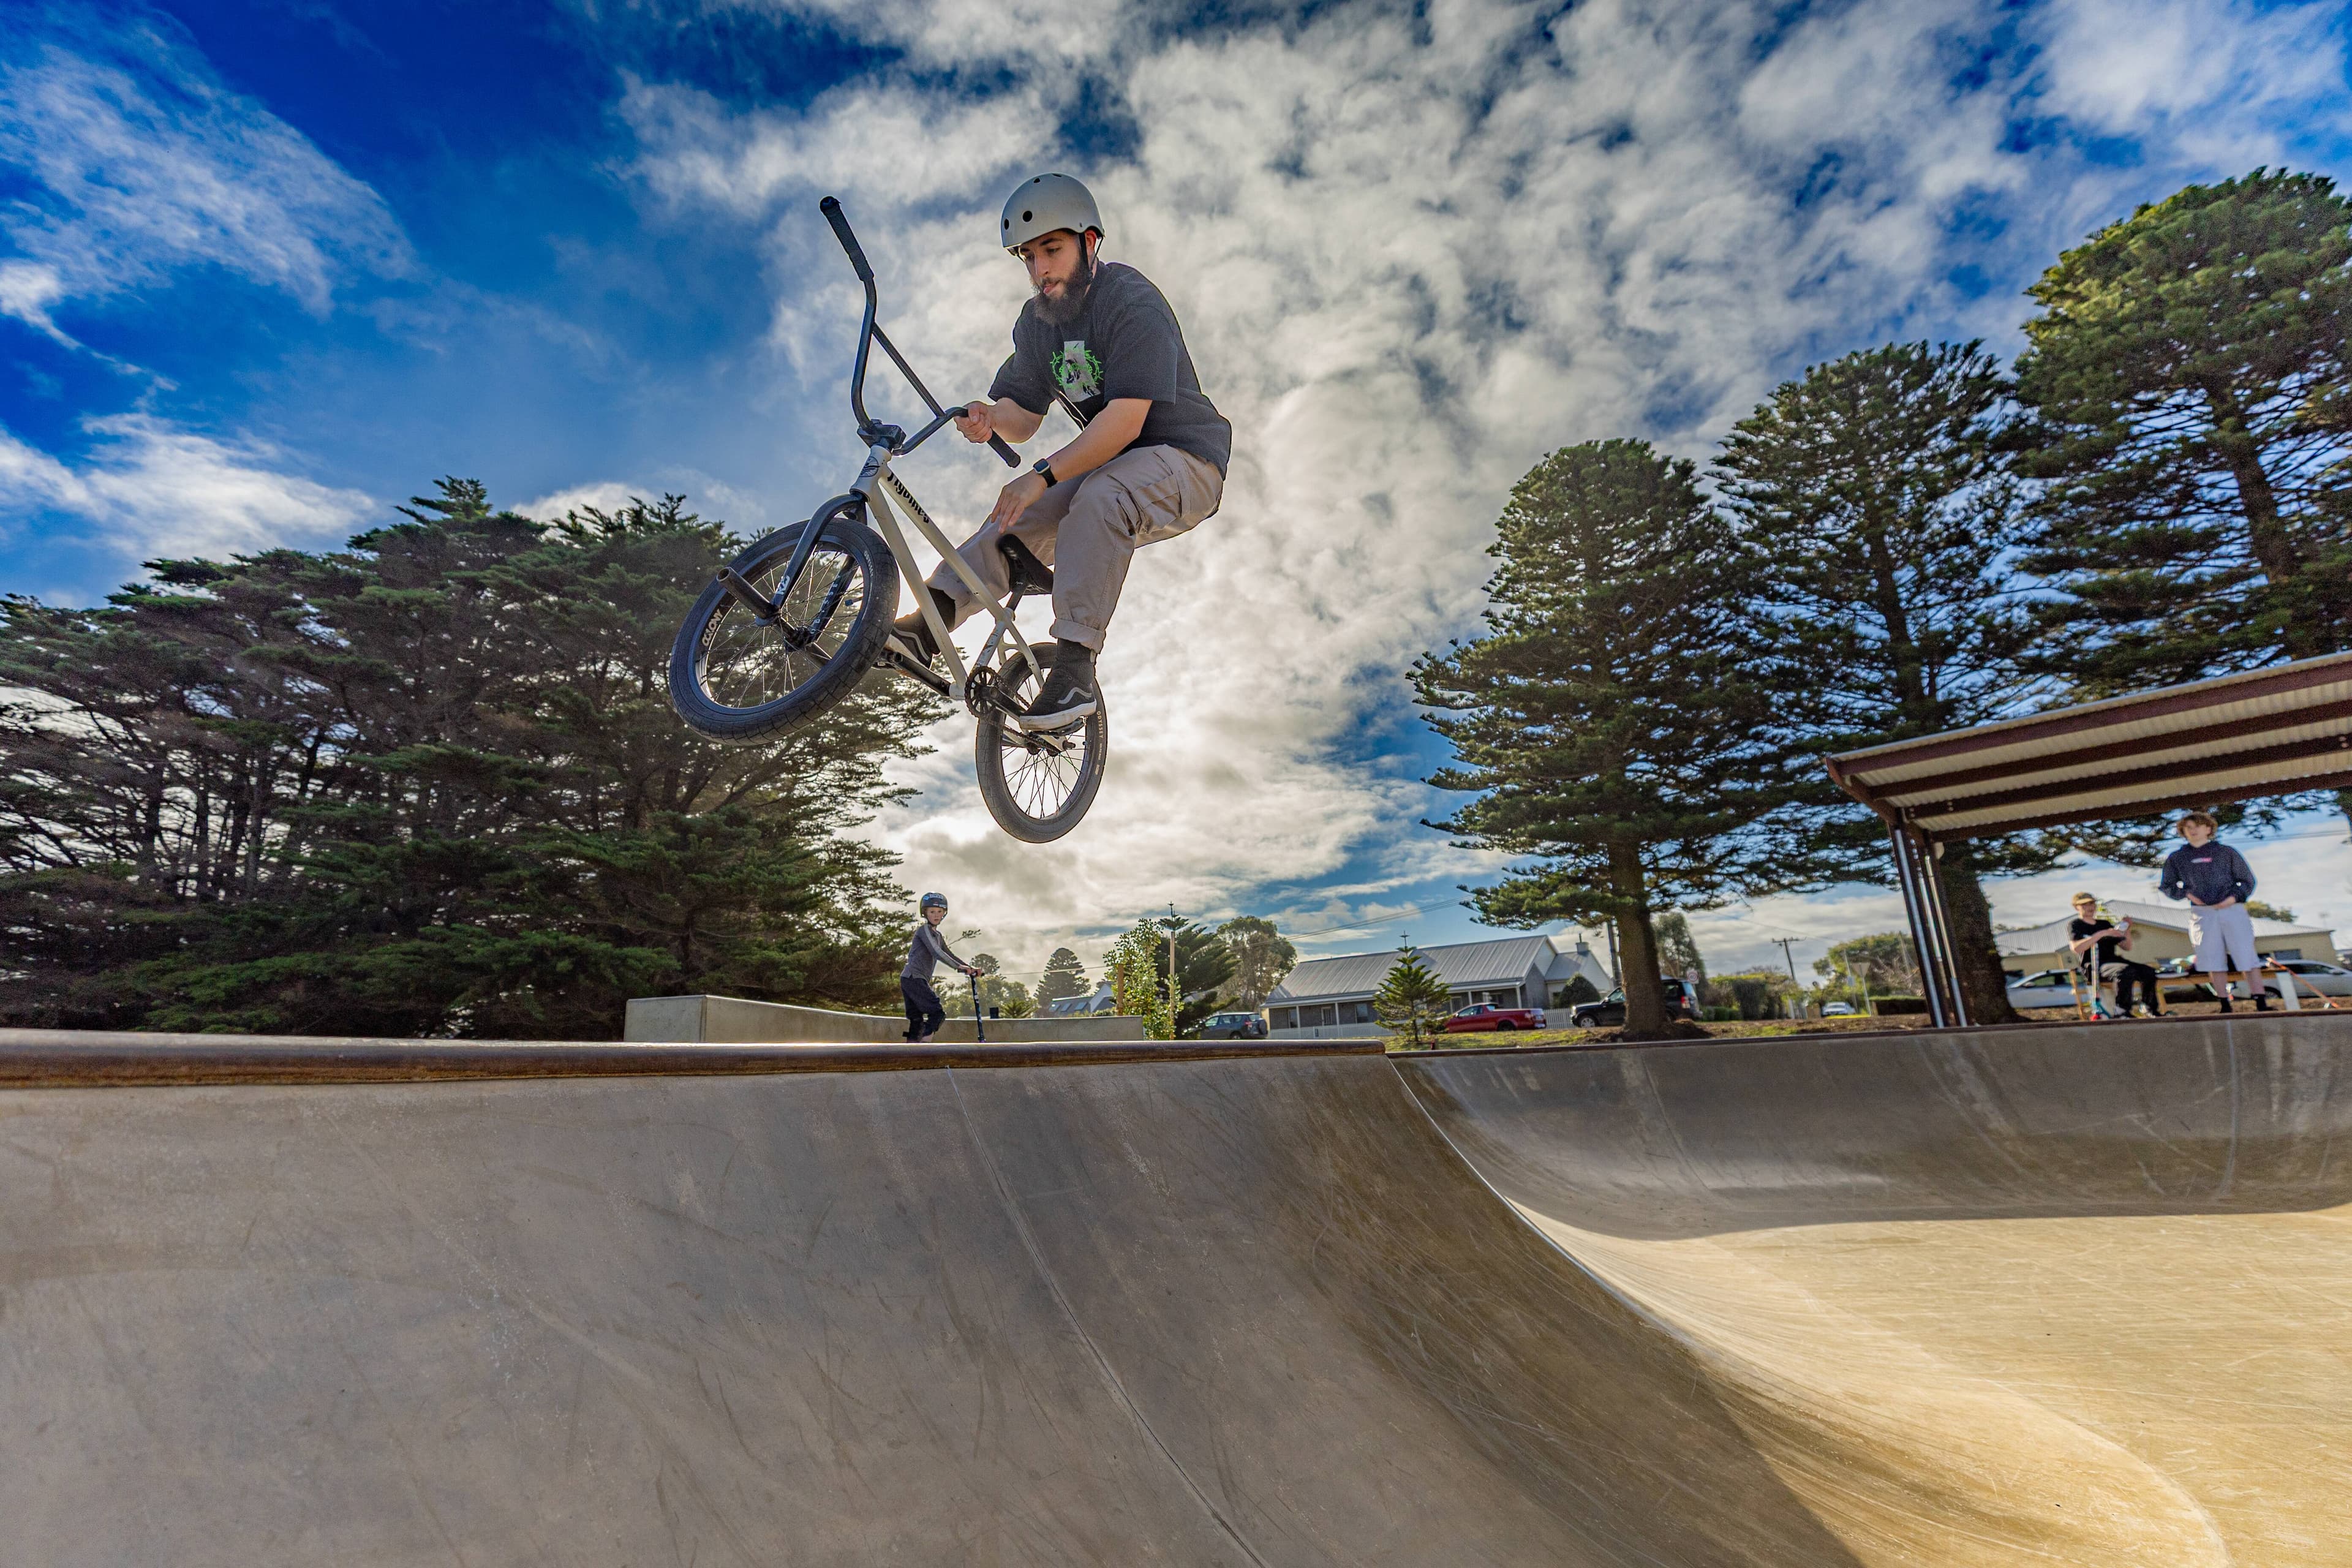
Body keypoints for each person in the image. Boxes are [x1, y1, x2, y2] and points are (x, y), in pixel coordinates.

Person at [888, 173, 1231, 730]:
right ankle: (927, 626)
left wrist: (1042, 476)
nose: (1040, 269)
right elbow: (1022, 416)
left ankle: (1074, 673)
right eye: (1028, 257)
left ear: (1089, 243)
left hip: (1186, 459)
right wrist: (987, 418)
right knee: (1013, 517)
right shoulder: (1038, 323)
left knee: (1098, 496)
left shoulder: (1130, 300)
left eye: (1052, 250)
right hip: (1116, 462)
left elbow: (1124, 422)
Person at [2157, 812, 2270, 1013]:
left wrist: (2233, 898)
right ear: (2183, 832)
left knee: (2246, 955)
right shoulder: (2177, 858)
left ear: (2209, 829)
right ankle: (2225, 1004)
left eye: (2197, 826)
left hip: (2232, 910)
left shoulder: (2226, 852)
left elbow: (2247, 881)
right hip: (2202, 914)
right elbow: (2167, 885)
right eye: (2188, 828)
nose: (2193, 830)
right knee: (2212, 959)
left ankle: (2261, 1002)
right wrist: (2188, 895)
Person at [2065, 892, 2162, 1018]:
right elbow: (2076, 948)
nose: (2090, 907)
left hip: (2114, 962)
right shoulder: (2076, 925)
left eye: (2092, 904)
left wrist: (2126, 930)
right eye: (2085, 905)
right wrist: (2101, 934)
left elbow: (2127, 947)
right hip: (2095, 965)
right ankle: (2121, 1009)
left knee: (2148, 972)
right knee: (2125, 971)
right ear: (2076, 907)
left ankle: (2149, 1007)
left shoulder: (2104, 923)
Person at [903, 891, 980, 1044]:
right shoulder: (924, 930)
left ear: (944, 913)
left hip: (914, 980)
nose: (936, 915)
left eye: (940, 912)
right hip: (912, 978)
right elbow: (937, 953)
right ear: (925, 913)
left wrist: (969, 968)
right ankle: (925, 1049)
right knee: (937, 1013)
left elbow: (949, 954)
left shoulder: (938, 936)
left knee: (917, 1020)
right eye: (932, 912)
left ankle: (911, 1053)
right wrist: (960, 967)